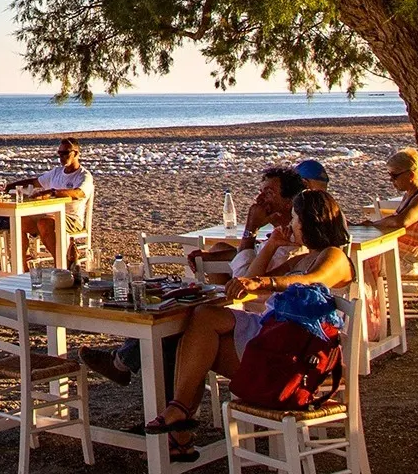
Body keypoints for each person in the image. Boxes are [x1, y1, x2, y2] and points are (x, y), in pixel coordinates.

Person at [146, 189, 353, 460]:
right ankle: (180, 417)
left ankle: (180, 424)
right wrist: (272, 245)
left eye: (293, 218)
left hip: (298, 356)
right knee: (202, 320)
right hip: (277, 337)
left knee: (197, 347)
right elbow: (248, 284)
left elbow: (310, 281)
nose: (290, 224)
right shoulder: (303, 257)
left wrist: (263, 283)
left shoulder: (334, 256)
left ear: (307, 221)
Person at [80, 167, 306, 388]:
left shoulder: (292, 245)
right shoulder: (279, 237)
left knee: (181, 324)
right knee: (177, 317)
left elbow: (244, 280)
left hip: (259, 324)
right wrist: (214, 254)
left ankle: (126, 369)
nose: (259, 199)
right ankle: (157, 400)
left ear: (289, 202)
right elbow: (254, 255)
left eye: (268, 193)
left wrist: (250, 229)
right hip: (251, 317)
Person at [5, 137, 93, 263]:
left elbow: (79, 193)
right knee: (20, 220)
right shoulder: (56, 172)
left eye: (66, 153)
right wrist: (11, 186)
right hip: (50, 214)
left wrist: (53, 192)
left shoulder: (83, 175)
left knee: (44, 223)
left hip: (71, 218)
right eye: (59, 153)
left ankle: (62, 264)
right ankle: (23, 266)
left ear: (76, 154)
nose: (62, 157)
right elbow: (35, 182)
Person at [364, 148, 418, 275]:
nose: (391, 180)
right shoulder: (410, 195)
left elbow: (401, 221)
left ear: (410, 175)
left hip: (410, 259)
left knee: (360, 262)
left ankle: (369, 294)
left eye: (394, 176)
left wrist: (373, 224)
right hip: (400, 252)